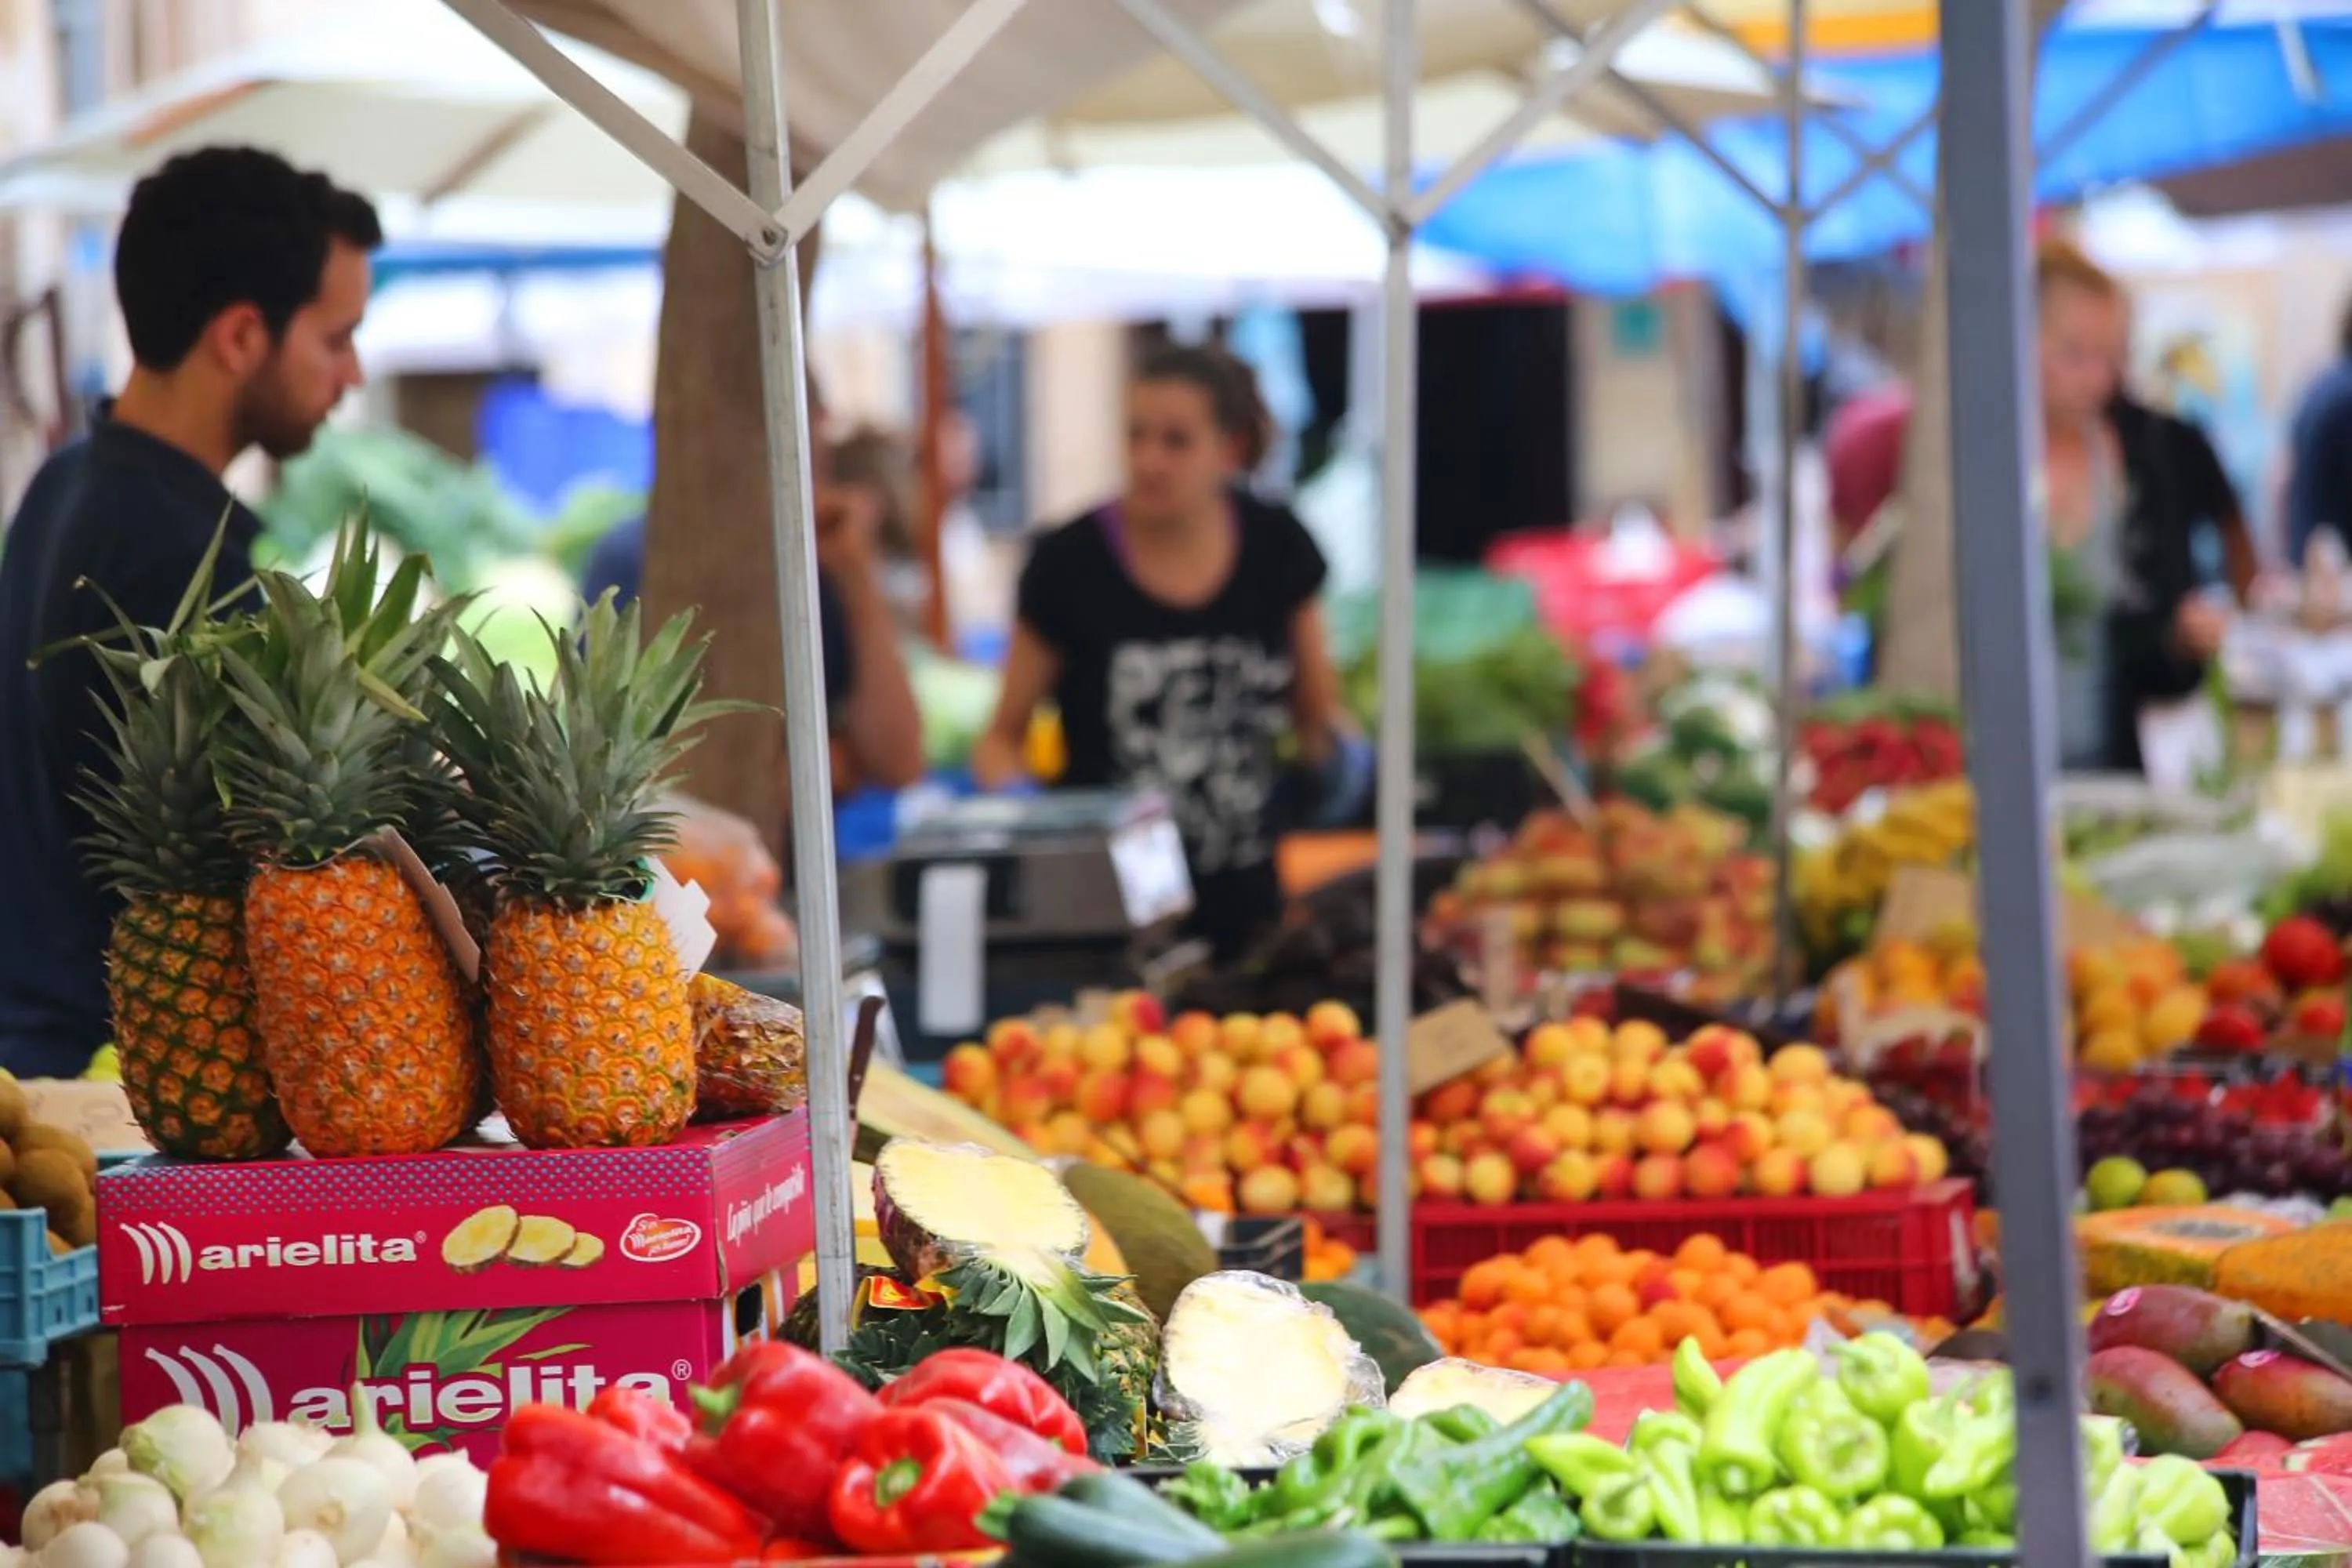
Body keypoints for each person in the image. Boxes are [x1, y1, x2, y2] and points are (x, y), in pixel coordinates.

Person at [0, 147, 380, 1076]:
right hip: (112, 1077)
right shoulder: (172, 555)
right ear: (242, 336)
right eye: (335, 338)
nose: (354, 374)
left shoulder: (64, 485)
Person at [971, 344, 1356, 961]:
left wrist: (1348, 772)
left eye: (1176, 441)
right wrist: (1031, 819)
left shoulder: (1277, 546)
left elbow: (1318, 717)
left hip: (1250, 915)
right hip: (1106, 925)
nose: (1149, 460)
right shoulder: (1068, 564)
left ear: (1229, 449)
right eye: (1136, 436)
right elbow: (1000, 740)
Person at [1820, 242, 2251, 774]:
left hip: (2102, 770)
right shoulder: (1948, 457)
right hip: (1975, 776)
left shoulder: (2147, 456)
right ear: (2015, 339)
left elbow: (2149, 646)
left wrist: (2182, 640)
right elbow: (1867, 596)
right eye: (2073, 354)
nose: (2097, 378)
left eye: (2111, 357)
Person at [579, 422, 925, 798]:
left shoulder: (821, 558)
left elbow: (899, 761)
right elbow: (605, 755)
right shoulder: (630, 559)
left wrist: (856, 577)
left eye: (820, 459)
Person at [2284, 297, 2352, 567]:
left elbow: (2281, 479)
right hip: (2338, 578)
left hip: (2310, 562)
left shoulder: (2320, 385)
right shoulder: (2346, 395)